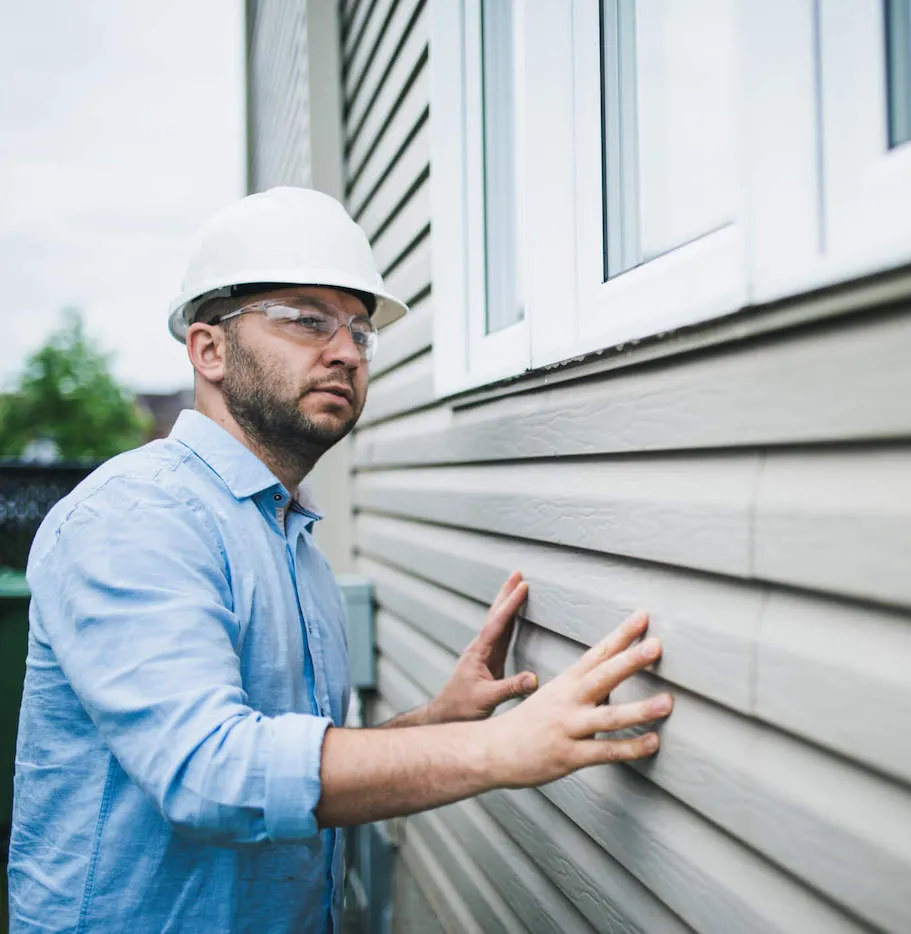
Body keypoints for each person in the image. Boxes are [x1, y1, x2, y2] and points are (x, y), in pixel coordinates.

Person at [6, 187, 674, 933]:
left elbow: (291, 769)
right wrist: (496, 747)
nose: (347, 351)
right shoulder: (137, 518)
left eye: (359, 330)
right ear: (209, 350)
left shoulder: (290, 542)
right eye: (306, 320)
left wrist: (437, 722)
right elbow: (212, 773)